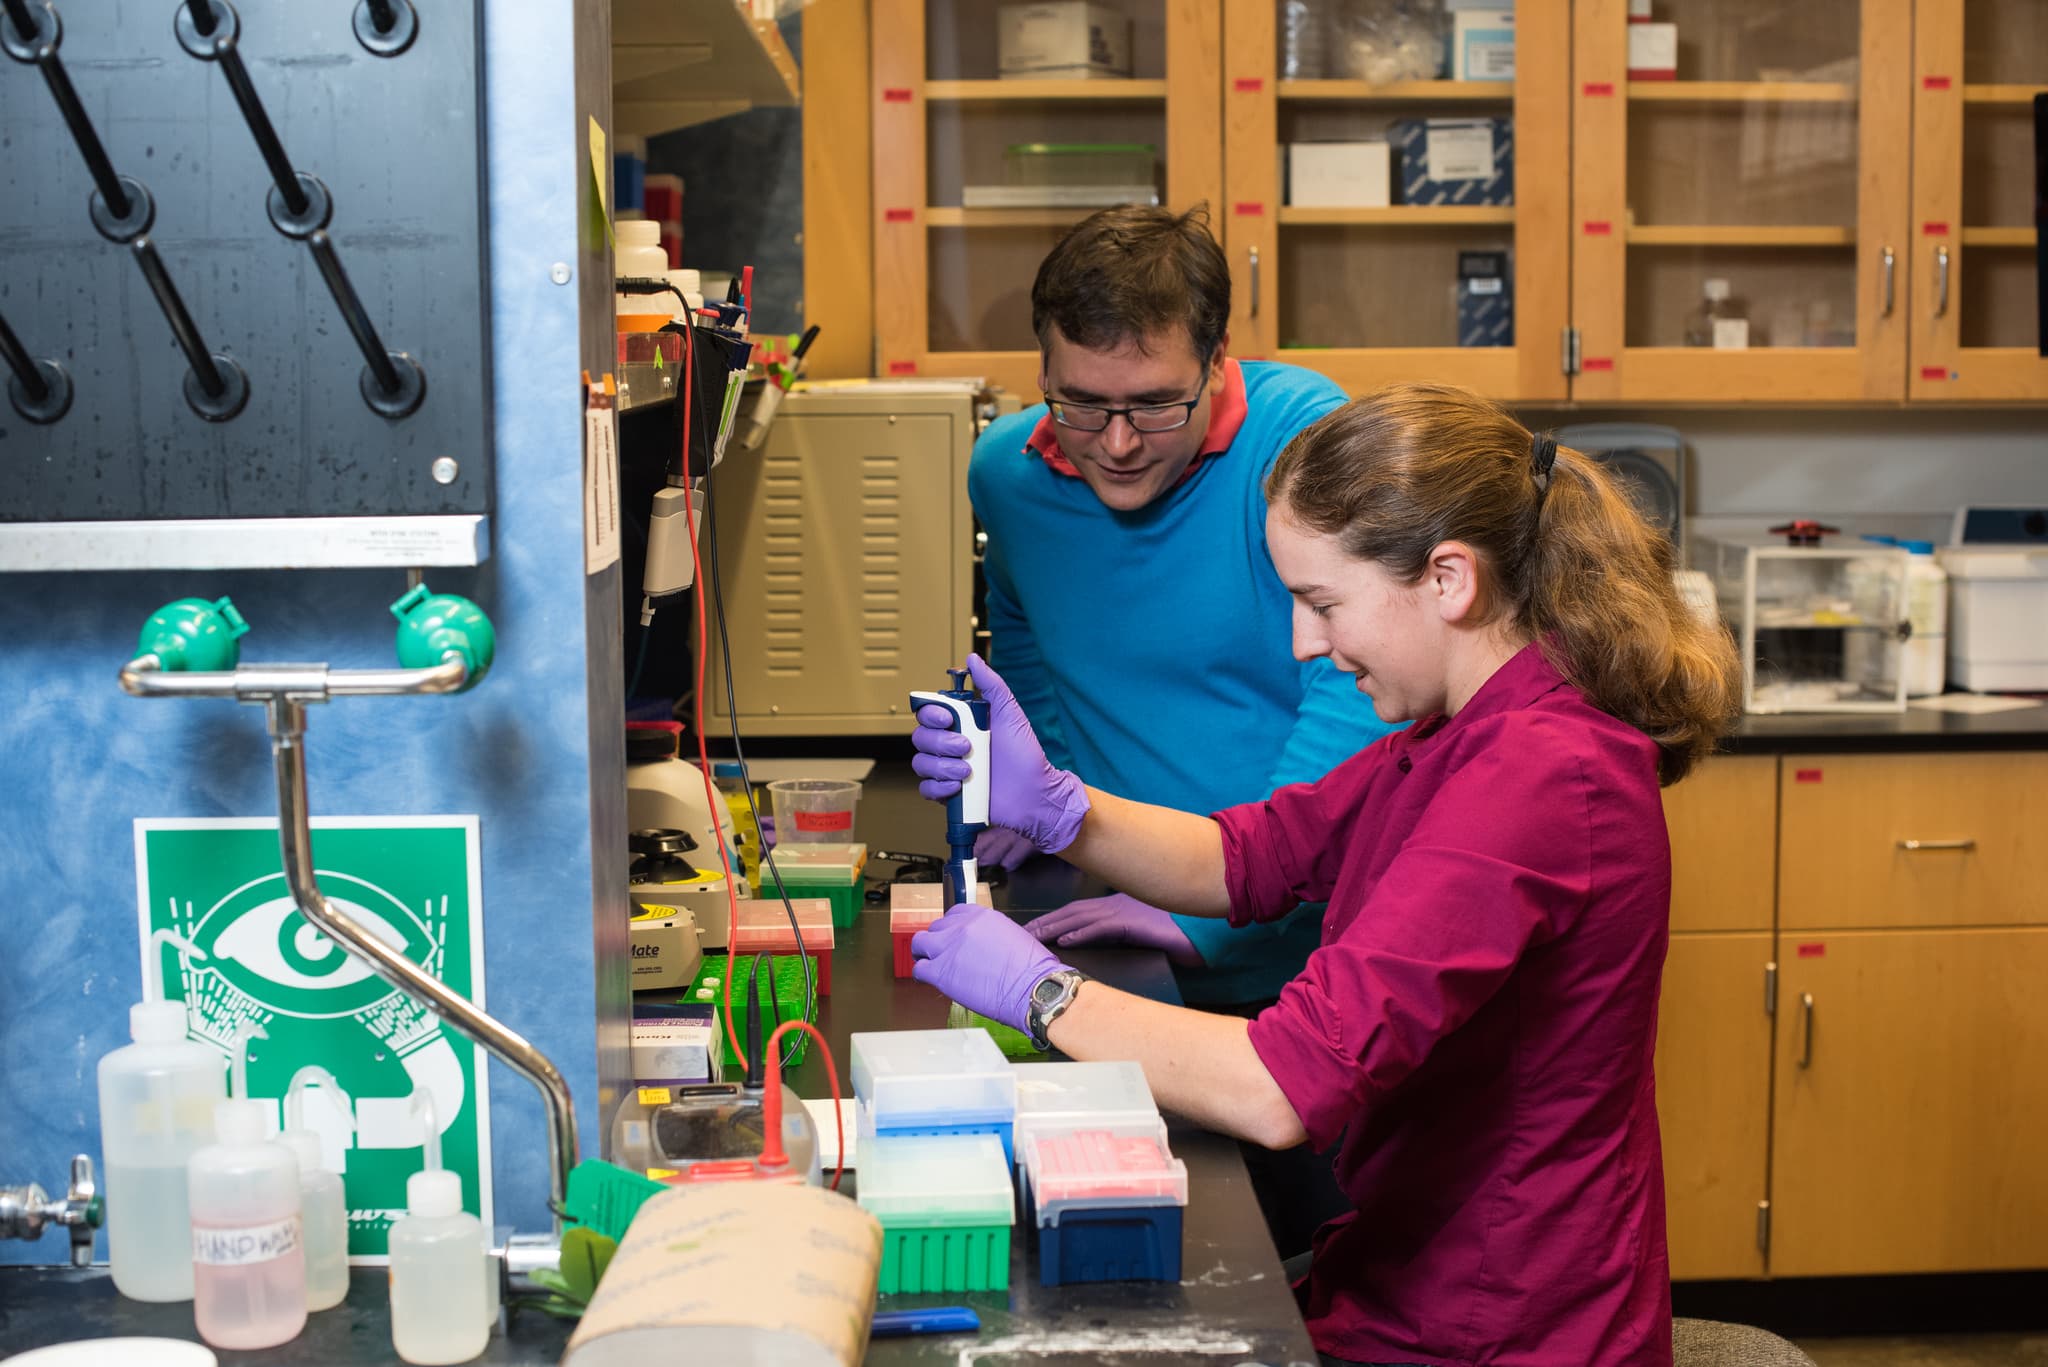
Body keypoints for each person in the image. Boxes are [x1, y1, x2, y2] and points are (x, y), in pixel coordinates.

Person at [910, 384, 1743, 1367]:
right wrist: (1059, 804)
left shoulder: (1540, 772)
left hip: (1496, 1325)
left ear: (1446, 579)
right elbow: (1250, 854)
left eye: (1320, 602)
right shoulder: (1462, 729)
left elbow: (1278, 1085)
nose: (1307, 642)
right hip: (1410, 1272)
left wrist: (1037, 990)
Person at [970, 202, 1397, 1011]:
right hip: (1128, 932)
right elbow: (1029, 649)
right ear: (1043, 370)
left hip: (1317, 958)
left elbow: (1362, 698)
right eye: (1084, 404)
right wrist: (1050, 802)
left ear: (1217, 359)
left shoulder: (1302, 439)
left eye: (1157, 405)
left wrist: (1216, 914)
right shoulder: (1004, 476)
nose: (1119, 444)